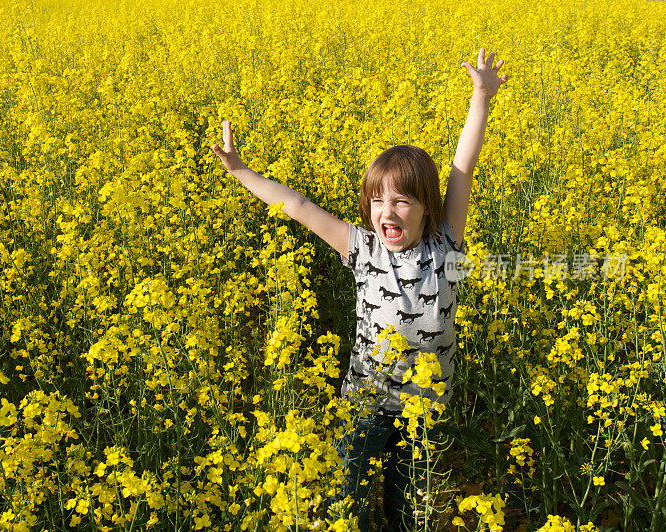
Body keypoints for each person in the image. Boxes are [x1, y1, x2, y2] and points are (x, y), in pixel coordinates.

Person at [212, 48, 508, 531]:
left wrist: (480, 97)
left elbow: (462, 169)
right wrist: (242, 172)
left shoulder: (445, 243)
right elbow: (299, 206)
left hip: (427, 405)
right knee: (349, 502)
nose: (386, 212)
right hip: (366, 402)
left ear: (428, 207)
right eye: (377, 201)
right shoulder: (362, 248)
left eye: (402, 202)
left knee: (407, 502)